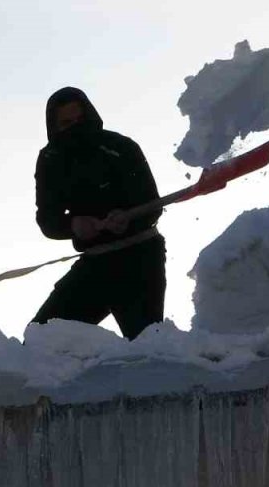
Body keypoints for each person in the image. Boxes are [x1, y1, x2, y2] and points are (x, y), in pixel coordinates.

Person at [31, 87, 166, 340]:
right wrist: (73, 225)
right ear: (54, 126)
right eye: (66, 123)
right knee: (42, 338)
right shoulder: (50, 159)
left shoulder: (121, 147)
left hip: (140, 259)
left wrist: (127, 218)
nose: (75, 127)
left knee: (147, 344)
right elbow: (47, 220)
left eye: (79, 120)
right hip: (95, 263)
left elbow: (152, 205)